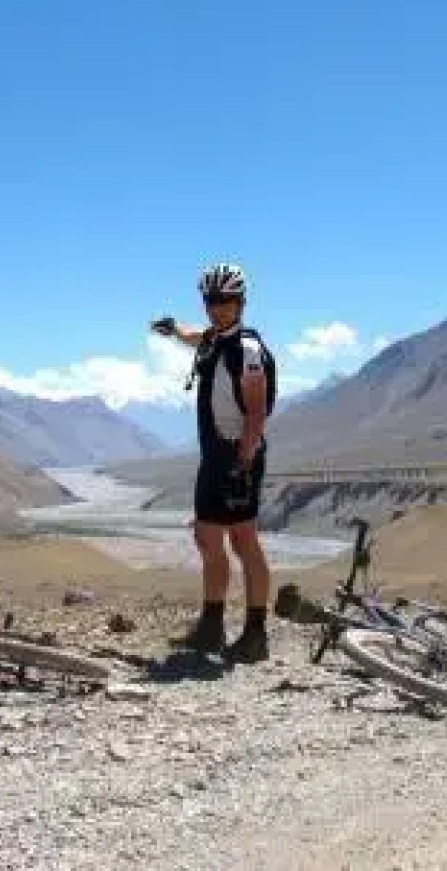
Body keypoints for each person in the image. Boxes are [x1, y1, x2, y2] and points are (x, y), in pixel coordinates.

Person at [151, 261, 277, 664]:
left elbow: (257, 413)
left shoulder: (247, 349)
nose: (218, 307)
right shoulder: (215, 339)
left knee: (243, 542)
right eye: (212, 300)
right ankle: (211, 626)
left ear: (241, 302)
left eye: (226, 300)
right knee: (207, 538)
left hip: (238, 455)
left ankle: (255, 634)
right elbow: (196, 337)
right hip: (215, 457)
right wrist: (173, 330)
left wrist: (243, 460)